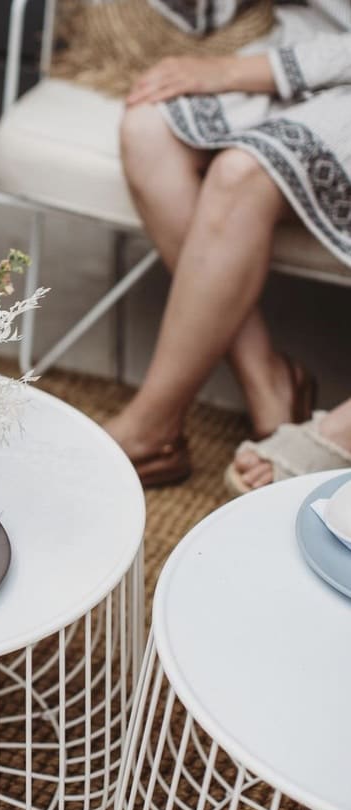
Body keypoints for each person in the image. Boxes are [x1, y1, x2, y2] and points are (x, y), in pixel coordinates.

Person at [104, 0, 351, 488]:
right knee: (148, 128)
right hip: (303, 45)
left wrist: (233, 70)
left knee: (242, 172)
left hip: (324, 69)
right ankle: (268, 383)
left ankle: (148, 422)